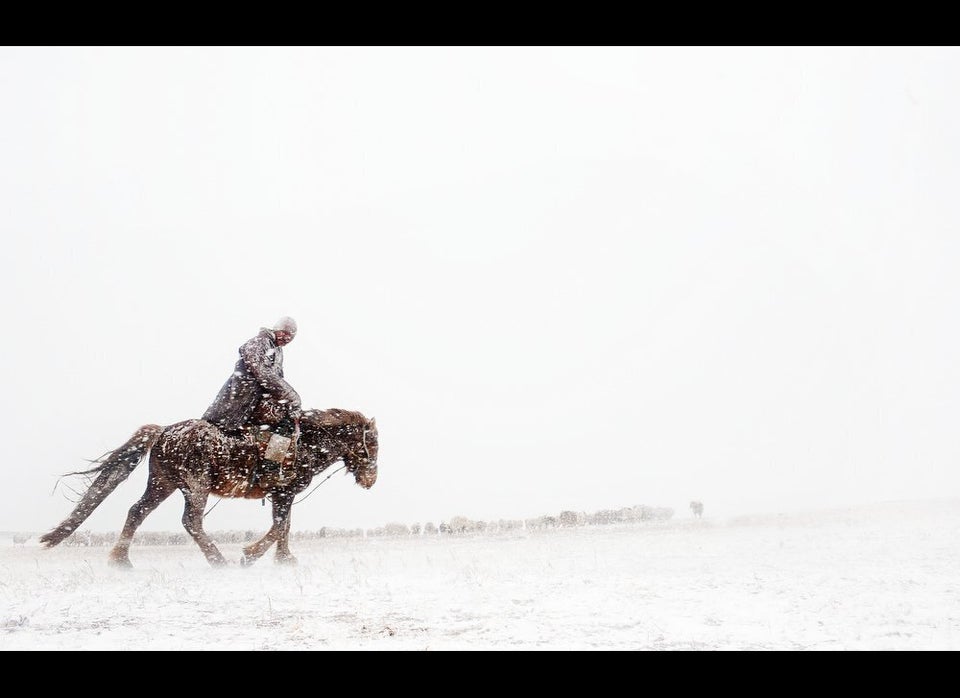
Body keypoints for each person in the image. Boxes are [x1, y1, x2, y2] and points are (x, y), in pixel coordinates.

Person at [203, 317, 302, 480]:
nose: (287, 339)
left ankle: (264, 460)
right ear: (277, 329)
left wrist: (287, 400)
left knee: (286, 420)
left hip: (257, 400)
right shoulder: (259, 342)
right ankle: (269, 471)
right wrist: (292, 396)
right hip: (241, 400)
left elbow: (278, 378)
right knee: (285, 424)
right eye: (285, 334)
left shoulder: (277, 350)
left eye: (290, 338)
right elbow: (263, 373)